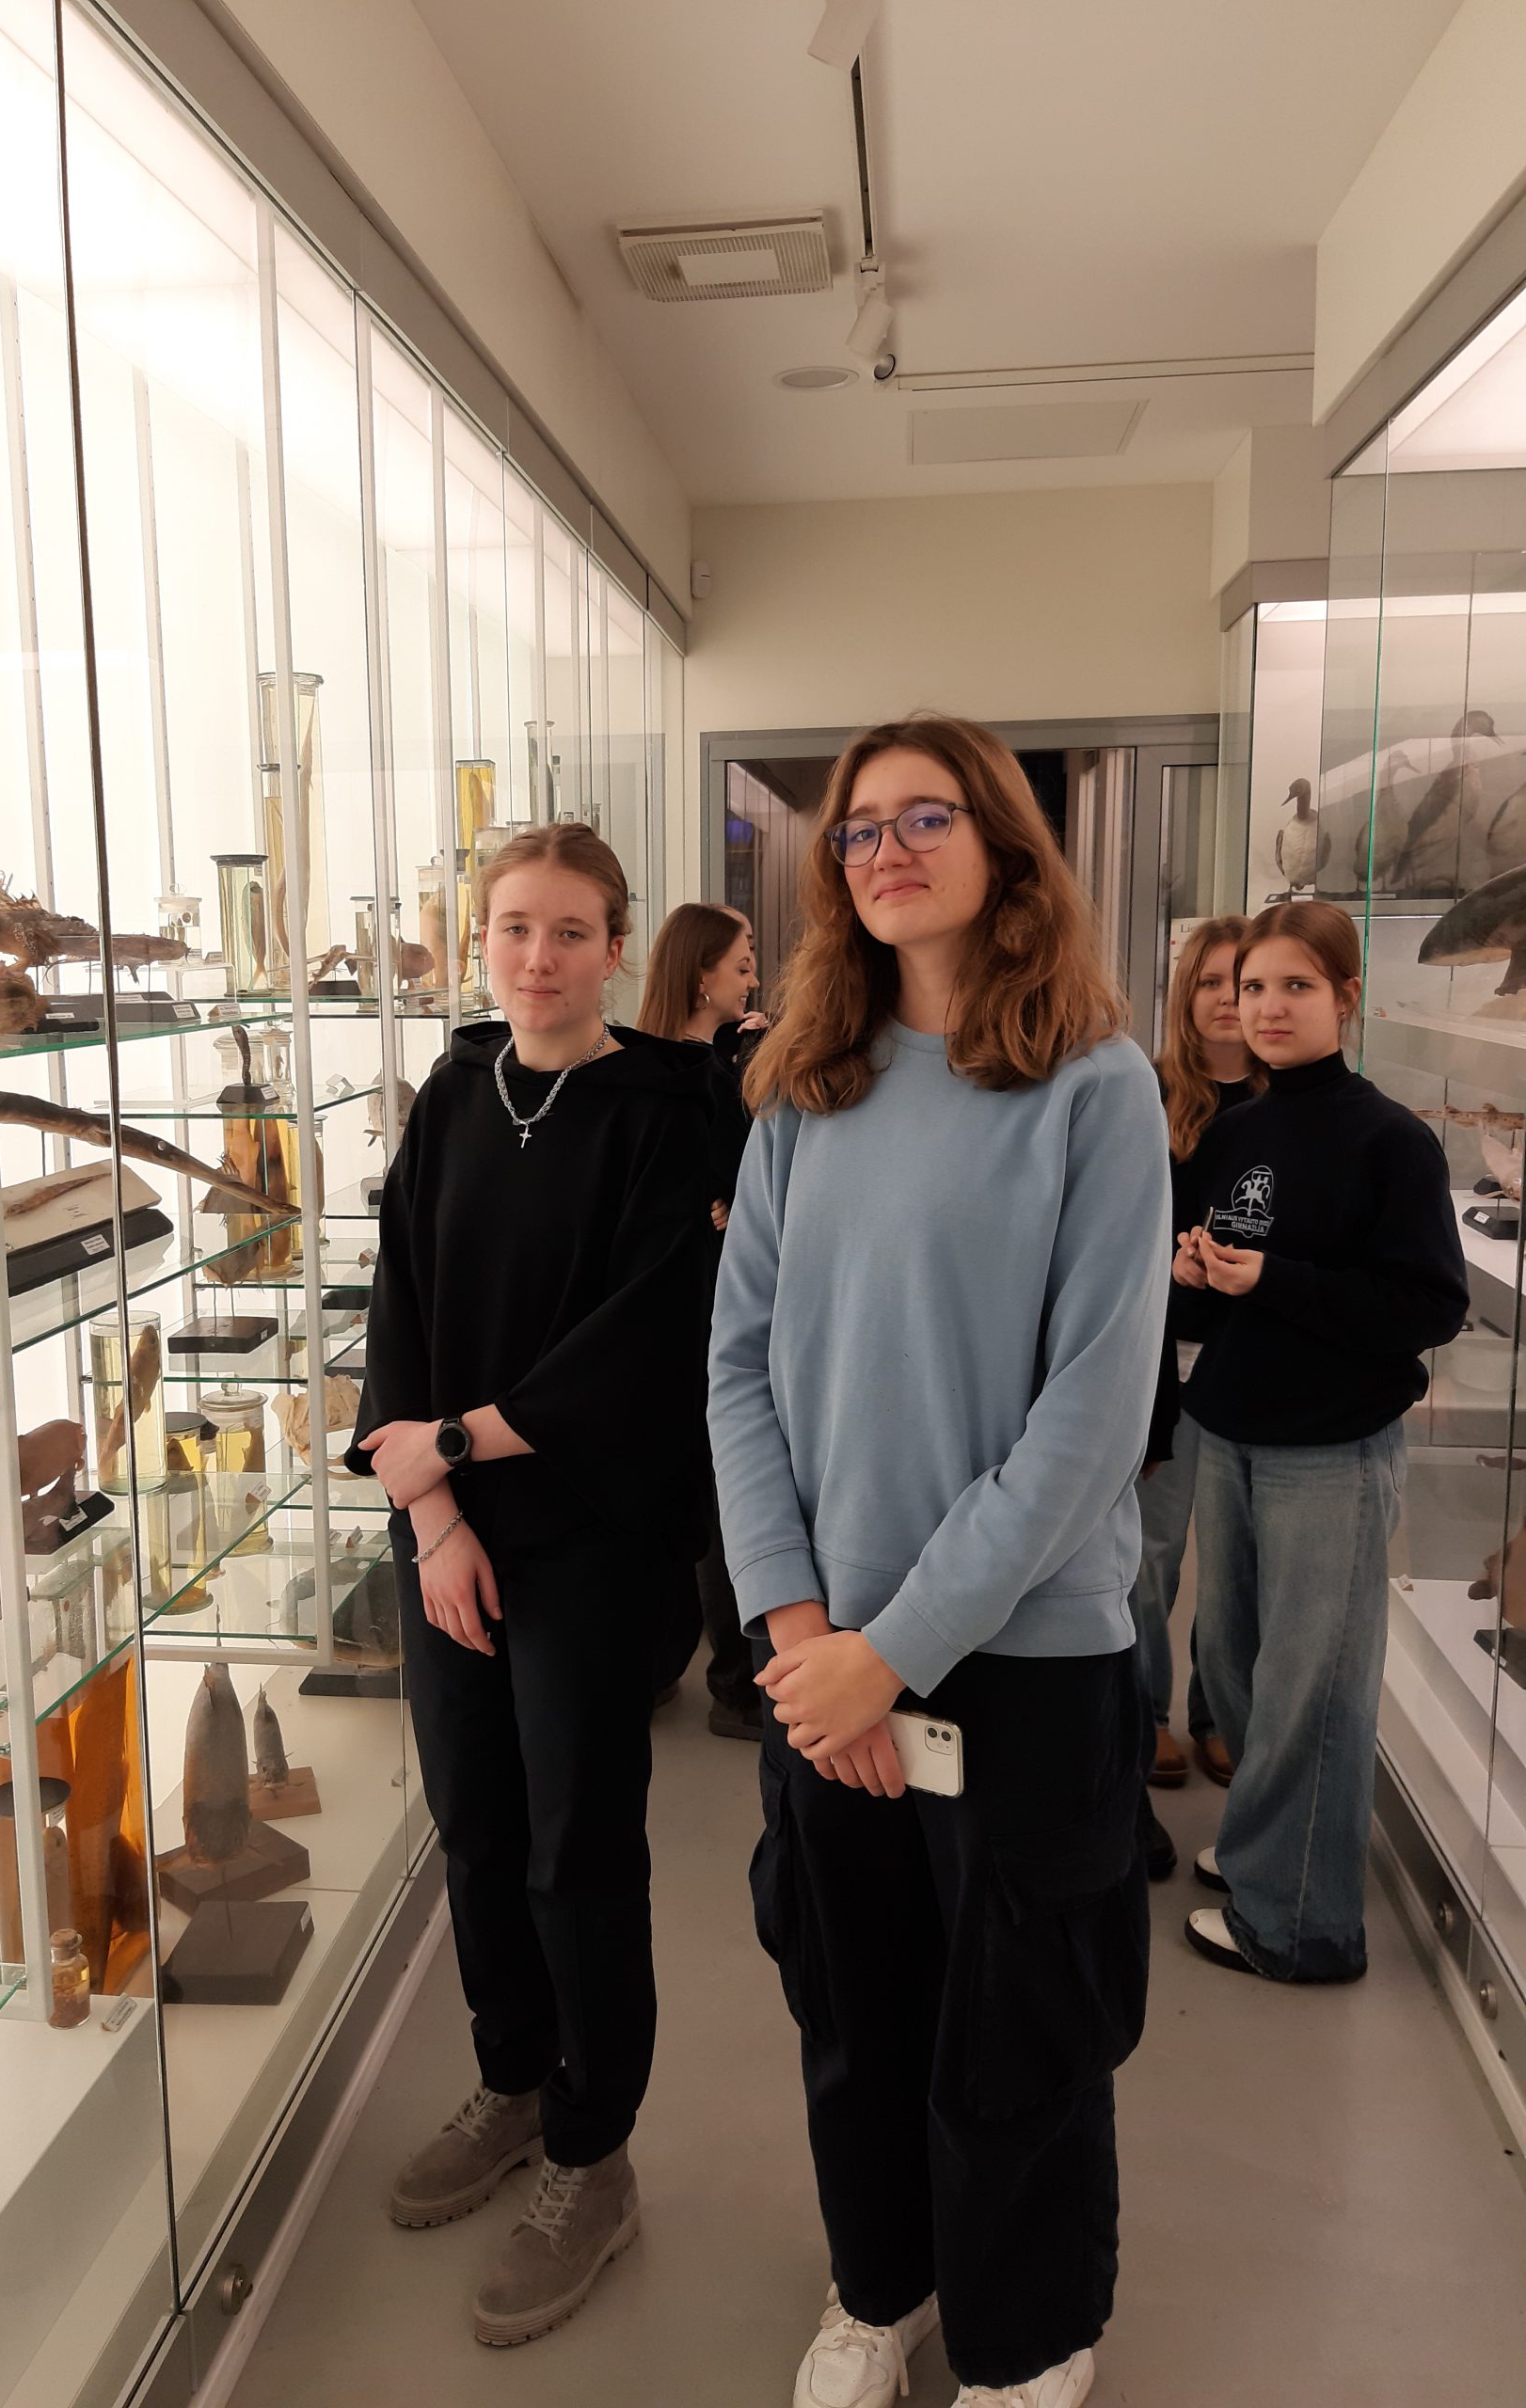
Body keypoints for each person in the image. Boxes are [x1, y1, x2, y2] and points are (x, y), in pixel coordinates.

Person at [709, 714, 1169, 2408]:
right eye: (858, 829)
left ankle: (1030, 2336)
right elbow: (737, 1367)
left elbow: (1091, 1419)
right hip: (822, 1656)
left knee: (1019, 2019)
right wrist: (800, 1629)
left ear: (1002, 845)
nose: (886, 851)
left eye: (926, 818)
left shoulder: (1096, 1089)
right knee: (854, 1998)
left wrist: (888, 1656)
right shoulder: (802, 1090)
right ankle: (882, 2285)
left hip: (1019, 1659)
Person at [346, 823, 713, 2345]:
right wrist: (434, 1510)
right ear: (479, 937)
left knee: (578, 1845)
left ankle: (591, 2150)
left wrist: (454, 1446)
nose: (537, 957)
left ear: (618, 944)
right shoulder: (451, 1095)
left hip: (591, 1541)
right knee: (478, 1825)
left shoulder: (674, 1110)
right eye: (512, 927)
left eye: (569, 931)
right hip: (449, 1539)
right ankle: (511, 2080)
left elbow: (653, 1335)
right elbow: (400, 1300)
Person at [1171, 899, 1466, 1982]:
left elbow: (1427, 1304)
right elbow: (1215, 1302)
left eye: (1295, 985)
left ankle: (1303, 1923)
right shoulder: (1236, 1131)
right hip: (1231, 1428)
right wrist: (1194, 1278)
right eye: (1252, 986)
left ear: (1346, 996)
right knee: (1233, 1661)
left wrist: (1274, 1281)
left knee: (1314, 1681)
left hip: (1331, 1448)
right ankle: (1270, 1852)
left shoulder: (1392, 1140)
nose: (1266, 1006)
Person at [1134, 918, 1264, 1878]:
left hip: (1256, 1360)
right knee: (1151, 1554)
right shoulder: (1148, 1092)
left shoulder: (1289, 1099)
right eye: (1212, 981)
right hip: (1166, 1356)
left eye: (1244, 980)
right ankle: (1146, 1711)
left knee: (1238, 1561)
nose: (1227, 998)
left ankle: (1221, 1712)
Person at [639, 899, 767, 1737]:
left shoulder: (653, 1065)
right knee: (724, 1497)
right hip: (710, 1310)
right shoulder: (707, 1080)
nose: (752, 978)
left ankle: (660, 1664)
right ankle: (735, 1685)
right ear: (701, 978)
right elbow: (747, 1190)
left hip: (668, 1312)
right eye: (742, 964)